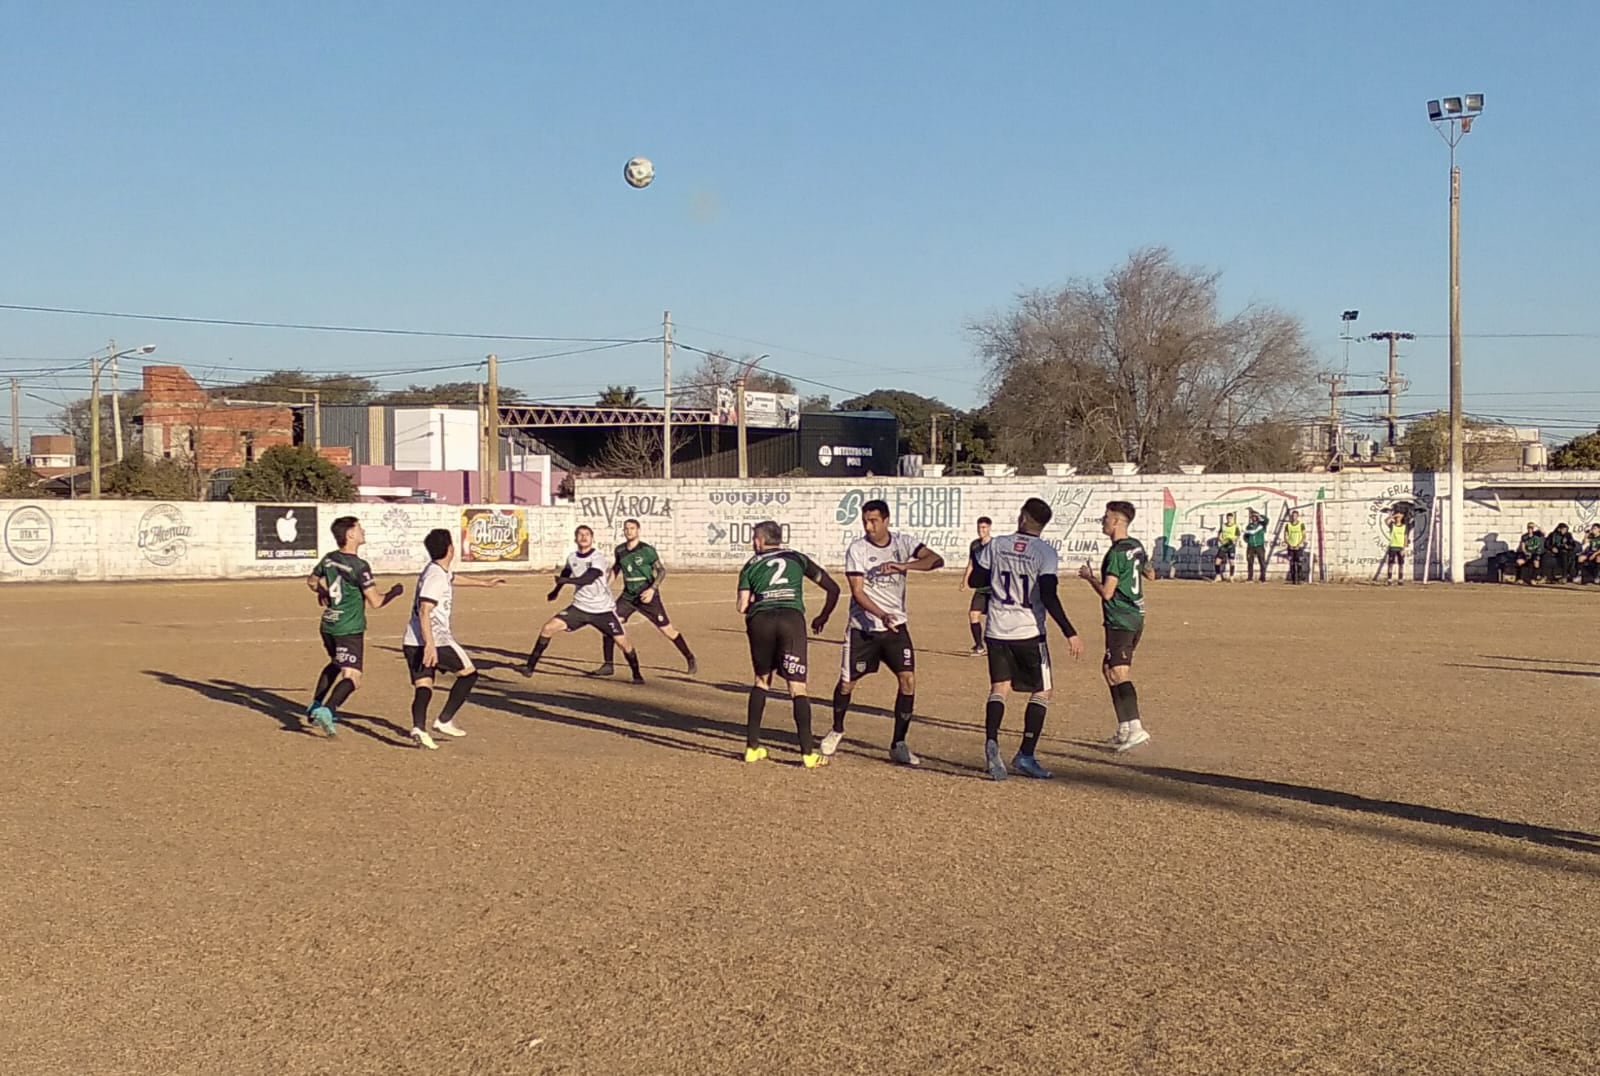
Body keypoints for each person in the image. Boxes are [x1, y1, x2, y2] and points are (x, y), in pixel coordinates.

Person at [822, 499, 945, 766]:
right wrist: (881, 615)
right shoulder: (857, 549)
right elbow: (857, 591)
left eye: (874, 521)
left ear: (886, 520)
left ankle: (898, 744)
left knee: (908, 681)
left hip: (896, 629)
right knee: (847, 684)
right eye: (865, 521)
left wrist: (904, 566)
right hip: (863, 629)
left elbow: (936, 560)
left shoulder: (903, 543)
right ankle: (837, 729)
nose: (869, 526)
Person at [973, 497, 1084, 781]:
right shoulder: (1045, 553)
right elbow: (1048, 594)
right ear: (1043, 525)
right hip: (1029, 632)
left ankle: (992, 742)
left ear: (1022, 517)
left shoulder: (997, 544)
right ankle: (1025, 754)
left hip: (996, 629)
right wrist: (1069, 631)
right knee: (1042, 691)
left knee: (999, 688)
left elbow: (977, 579)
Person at [736, 520, 841, 768]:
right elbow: (833, 588)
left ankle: (752, 748)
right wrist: (823, 615)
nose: (753, 543)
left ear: (761, 540)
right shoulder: (797, 558)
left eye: (754, 538)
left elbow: (741, 606)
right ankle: (807, 754)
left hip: (760, 620)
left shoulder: (750, 565)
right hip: (791, 620)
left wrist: (755, 598)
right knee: (797, 688)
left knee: (761, 681)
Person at [402, 528, 505, 749]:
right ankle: (444, 720)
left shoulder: (437, 570)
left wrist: (484, 583)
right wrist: (430, 645)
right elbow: (424, 609)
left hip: (412, 640)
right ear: (450, 549)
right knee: (469, 675)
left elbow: (453, 578)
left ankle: (419, 728)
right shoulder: (436, 576)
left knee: (424, 685)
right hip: (435, 639)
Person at [304, 515, 404, 736]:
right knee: (352, 676)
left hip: (328, 624)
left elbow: (311, 581)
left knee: (336, 662)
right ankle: (327, 710)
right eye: (359, 528)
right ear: (350, 535)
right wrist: (395, 592)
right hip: (348, 628)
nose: (363, 531)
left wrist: (322, 591)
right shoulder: (359, 566)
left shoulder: (329, 559)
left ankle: (315, 703)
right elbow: (376, 602)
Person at [522, 525, 644, 683]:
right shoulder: (572, 557)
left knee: (623, 642)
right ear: (575, 539)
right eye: (580, 534)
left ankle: (636, 674)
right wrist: (556, 590)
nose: (584, 537)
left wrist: (567, 581)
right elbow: (566, 572)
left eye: (587, 534)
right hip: (579, 607)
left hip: (602, 610)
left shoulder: (597, 558)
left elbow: (589, 578)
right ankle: (529, 667)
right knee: (548, 628)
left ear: (592, 539)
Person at [1079, 501, 1154, 752]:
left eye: (1107, 517)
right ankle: (1124, 727)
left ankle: (1136, 728)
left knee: (1119, 672)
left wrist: (1089, 578)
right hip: (1135, 617)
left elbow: (1108, 593)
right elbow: (1150, 573)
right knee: (1108, 669)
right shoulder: (1136, 546)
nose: (1103, 520)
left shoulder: (1115, 554)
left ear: (1118, 522)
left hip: (1121, 617)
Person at [598, 518, 697, 676]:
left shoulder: (647, 550)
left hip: (647, 595)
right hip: (628, 596)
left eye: (632, 528)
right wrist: (605, 586)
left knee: (667, 630)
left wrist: (652, 589)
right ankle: (608, 665)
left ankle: (689, 657)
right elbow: (616, 569)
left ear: (638, 530)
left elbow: (662, 571)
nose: (628, 531)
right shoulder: (620, 550)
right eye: (626, 528)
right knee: (610, 625)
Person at [961, 516, 994, 655]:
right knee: (973, 614)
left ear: (989, 528)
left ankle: (997, 647)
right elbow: (971, 564)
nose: (981, 530)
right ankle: (979, 646)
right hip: (981, 589)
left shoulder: (995, 545)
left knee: (995, 618)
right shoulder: (975, 545)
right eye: (979, 527)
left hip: (994, 589)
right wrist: (964, 580)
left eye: (984, 527)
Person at [1243, 509, 1269, 583]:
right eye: (1252, 517)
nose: (1254, 518)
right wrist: (1248, 541)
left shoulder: (1262, 525)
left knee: (1262, 562)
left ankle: (1262, 578)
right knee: (1250, 562)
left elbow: (1266, 520)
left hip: (1259, 546)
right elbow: (1245, 536)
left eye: (1255, 516)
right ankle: (1250, 578)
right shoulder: (1249, 526)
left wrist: (1258, 514)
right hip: (1251, 546)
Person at [1283, 510, 1308, 584]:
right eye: (1293, 516)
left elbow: (1304, 536)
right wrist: (1289, 544)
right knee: (1292, 563)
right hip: (1291, 547)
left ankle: (1299, 579)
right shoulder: (1288, 525)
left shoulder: (1301, 525)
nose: (1294, 517)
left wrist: (1298, 544)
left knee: (1299, 563)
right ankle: (1293, 579)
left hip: (1298, 547)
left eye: (1295, 516)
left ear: (1297, 516)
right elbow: (1285, 536)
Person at [1384, 511, 1408, 585]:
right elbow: (1385, 521)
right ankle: (1389, 579)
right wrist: (1392, 516)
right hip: (1393, 546)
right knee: (1390, 564)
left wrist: (1404, 548)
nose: (1398, 518)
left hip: (1400, 547)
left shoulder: (1404, 526)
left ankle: (1400, 579)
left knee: (1401, 564)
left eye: (1400, 516)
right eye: (1397, 517)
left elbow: (1405, 538)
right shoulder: (1392, 525)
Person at [1214, 513, 1239, 581]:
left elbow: (1237, 536)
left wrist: (1231, 540)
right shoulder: (1223, 526)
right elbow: (1219, 534)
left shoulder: (1235, 526)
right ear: (1226, 518)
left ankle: (1231, 577)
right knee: (1217, 561)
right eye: (1228, 518)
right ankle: (1218, 576)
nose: (1229, 520)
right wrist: (1220, 540)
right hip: (1224, 545)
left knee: (1231, 561)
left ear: (1232, 519)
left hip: (1231, 545)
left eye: (1230, 518)